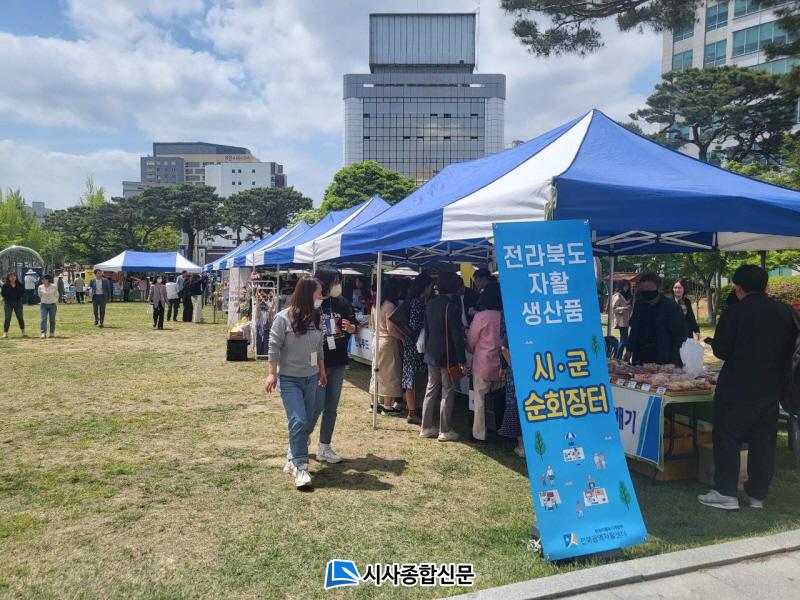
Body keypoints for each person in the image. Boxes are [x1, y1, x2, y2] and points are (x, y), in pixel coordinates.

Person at [698, 265, 797, 511]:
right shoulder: (785, 312)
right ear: (765, 285)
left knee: (728, 437)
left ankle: (725, 492)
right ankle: (757, 495)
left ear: (739, 288)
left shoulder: (735, 312)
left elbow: (721, 350)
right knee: (764, 442)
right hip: (772, 387)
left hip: (737, 387)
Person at [264, 277, 327, 490]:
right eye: (318, 292)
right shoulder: (283, 318)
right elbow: (274, 346)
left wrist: (322, 370)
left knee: (306, 421)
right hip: (289, 378)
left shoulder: (317, 317)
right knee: (298, 419)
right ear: (308, 293)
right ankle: (301, 467)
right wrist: (271, 374)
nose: (321, 296)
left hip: (311, 377)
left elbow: (319, 348)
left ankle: (293, 455)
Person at [311, 266, 357, 464]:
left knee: (331, 407)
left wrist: (351, 327)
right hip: (316, 362)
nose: (338, 285)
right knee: (315, 406)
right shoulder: (313, 302)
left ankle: (325, 446)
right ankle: (300, 440)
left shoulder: (342, 302)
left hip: (338, 360)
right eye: (335, 282)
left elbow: (354, 324)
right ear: (325, 283)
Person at [420, 272, 467, 442]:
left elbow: (427, 331)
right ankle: (444, 430)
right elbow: (457, 337)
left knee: (431, 389)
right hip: (447, 356)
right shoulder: (452, 308)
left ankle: (426, 428)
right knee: (447, 391)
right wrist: (462, 360)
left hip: (431, 354)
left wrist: (427, 351)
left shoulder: (430, 304)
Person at [467, 281, 503, 442]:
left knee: (480, 400)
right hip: (502, 363)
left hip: (483, 363)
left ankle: (479, 433)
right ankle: (502, 428)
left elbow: (471, 340)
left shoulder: (481, 317)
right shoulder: (504, 315)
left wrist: (471, 349)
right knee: (501, 399)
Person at [624, 272, 686, 366]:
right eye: (642, 289)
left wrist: (675, 361)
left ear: (659, 289)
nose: (645, 292)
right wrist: (629, 349)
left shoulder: (671, 307)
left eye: (649, 289)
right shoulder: (639, 305)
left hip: (663, 357)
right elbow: (634, 329)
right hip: (640, 356)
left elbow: (680, 336)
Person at [402, 273, 434, 425]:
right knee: (413, 379)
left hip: (413, 345)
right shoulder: (418, 302)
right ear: (424, 287)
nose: (431, 289)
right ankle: (412, 411)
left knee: (414, 378)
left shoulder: (414, 300)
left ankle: (413, 409)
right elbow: (414, 324)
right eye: (430, 286)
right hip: (415, 346)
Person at [369, 279, 405, 414]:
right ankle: (387, 406)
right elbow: (391, 329)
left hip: (376, 340)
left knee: (376, 372)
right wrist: (403, 338)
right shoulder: (390, 306)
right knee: (390, 373)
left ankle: (374, 403)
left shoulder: (375, 305)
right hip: (388, 343)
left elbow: (372, 325)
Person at [497, 318, 524, 457]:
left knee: (517, 407)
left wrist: (511, 365)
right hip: (538, 369)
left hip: (518, 374)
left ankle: (522, 446)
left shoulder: (515, 321)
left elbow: (504, 347)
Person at [610, 281, 633, 358]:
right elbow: (614, 308)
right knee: (623, 340)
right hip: (621, 321)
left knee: (624, 339)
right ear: (621, 286)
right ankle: (618, 356)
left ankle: (621, 356)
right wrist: (624, 308)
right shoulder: (618, 296)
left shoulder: (628, 295)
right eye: (625, 286)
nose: (626, 288)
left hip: (626, 320)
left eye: (628, 286)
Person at [2, 272, 26, 338]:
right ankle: (5, 333)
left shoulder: (20, 285)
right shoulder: (5, 286)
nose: (12, 278)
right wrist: (7, 298)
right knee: (7, 318)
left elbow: (22, 293)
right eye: (11, 276)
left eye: (14, 276)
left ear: (16, 277)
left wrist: (17, 297)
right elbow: (3, 294)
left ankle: (23, 332)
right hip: (8, 303)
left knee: (20, 317)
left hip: (18, 302)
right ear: (8, 278)